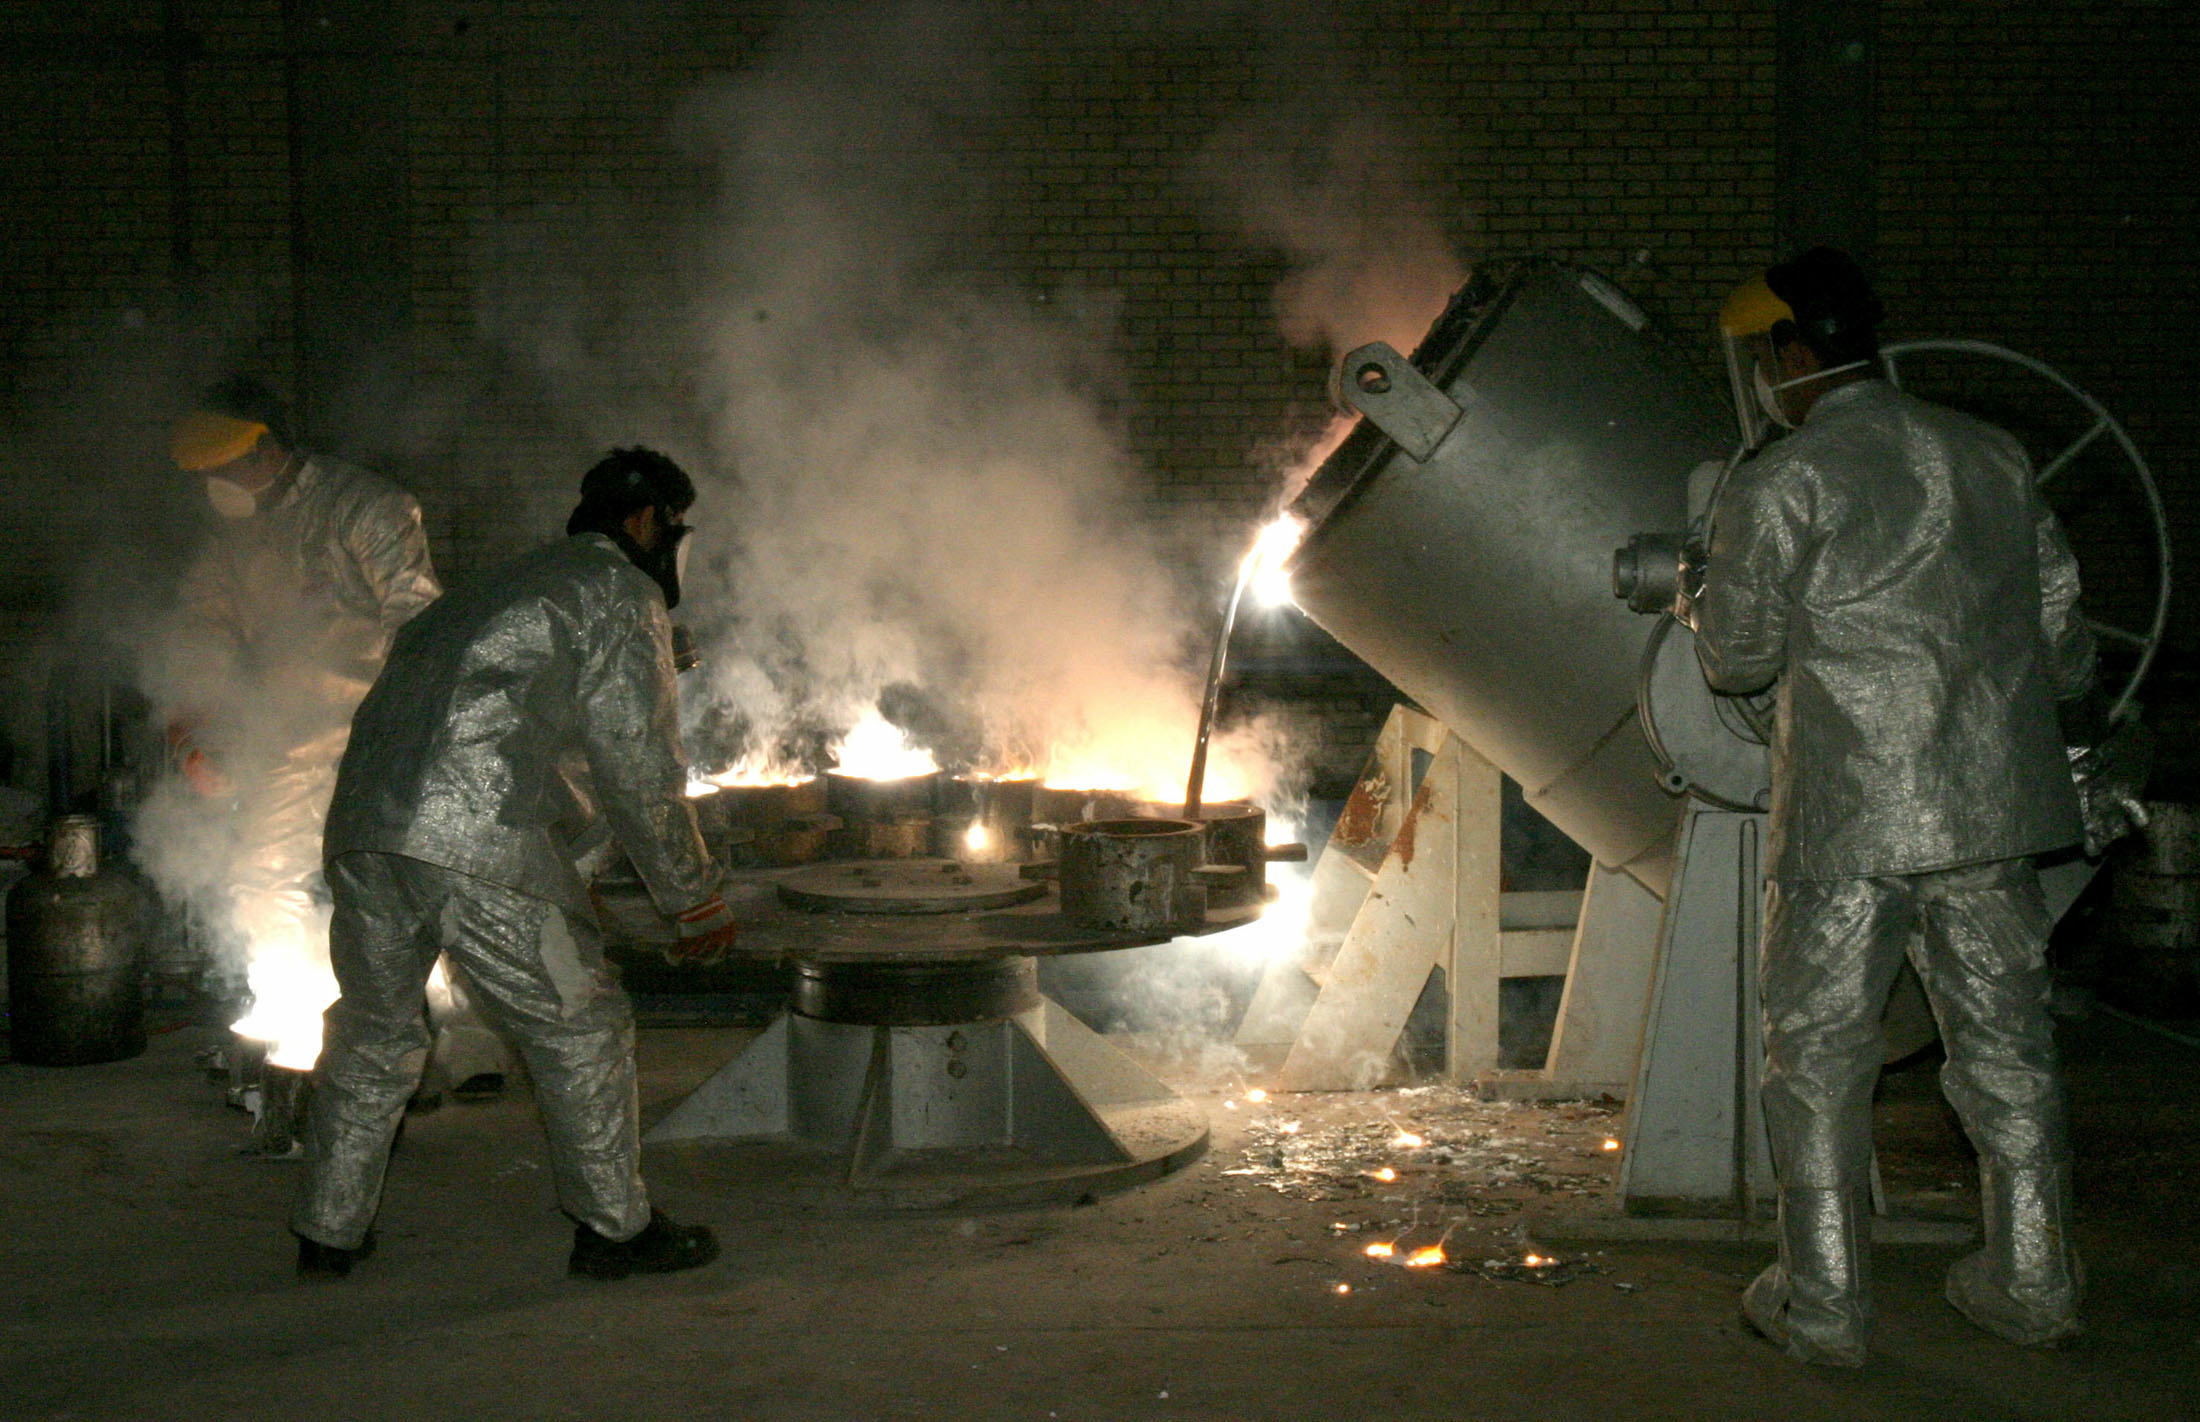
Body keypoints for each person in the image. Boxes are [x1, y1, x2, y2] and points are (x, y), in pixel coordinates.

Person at [1692, 247, 2136, 1365]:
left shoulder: (1784, 477)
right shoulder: (1989, 454)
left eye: (1763, 362)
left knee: (1817, 1057)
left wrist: (1700, 601)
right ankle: (2033, 1285)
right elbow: (2065, 642)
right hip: (1988, 812)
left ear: (1793, 356)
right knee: (2008, 1052)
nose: (1761, 382)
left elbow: (1737, 662)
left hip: (1849, 820)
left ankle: (1824, 1306)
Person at [291, 446, 739, 1281]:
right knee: (583, 1027)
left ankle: (327, 1230)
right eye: (674, 528)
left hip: (363, 827)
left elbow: (508, 735)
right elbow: (635, 761)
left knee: (375, 1035)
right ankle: (613, 1232)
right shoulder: (617, 592)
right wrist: (693, 896)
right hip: (468, 830)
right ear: (647, 522)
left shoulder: (498, 592)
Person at [161, 377, 492, 1092]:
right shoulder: (230, 537)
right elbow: (200, 634)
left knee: (406, 891)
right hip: (289, 735)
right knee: (262, 880)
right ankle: (294, 1014)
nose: (214, 484)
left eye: (222, 468)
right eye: (204, 476)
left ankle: (458, 1039)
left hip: (381, 732)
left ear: (264, 449)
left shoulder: (368, 508)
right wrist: (196, 732)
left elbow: (421, 625)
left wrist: (422, 741)